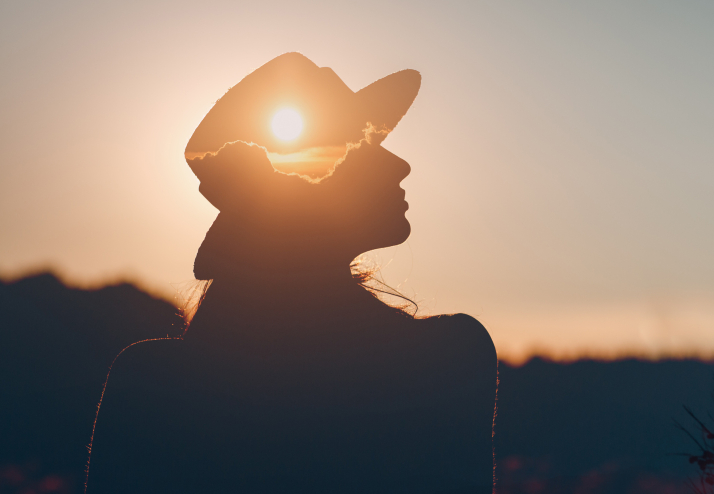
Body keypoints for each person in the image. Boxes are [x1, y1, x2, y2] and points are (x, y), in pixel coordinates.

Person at [86, 53, 498, 494]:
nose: (400, 164)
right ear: (304, 187)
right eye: (363, 145)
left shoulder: (153, 381)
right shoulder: (447, 358)